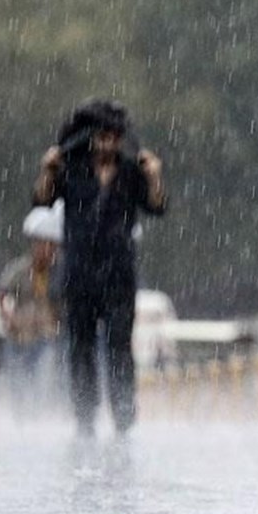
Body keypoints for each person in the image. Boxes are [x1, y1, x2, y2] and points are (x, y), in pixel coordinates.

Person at [33, 98, 166, 438]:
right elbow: (41, 200)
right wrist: (48, 170)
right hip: (79, 272)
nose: (108, 143)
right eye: (102, 136)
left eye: (114, 136)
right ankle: (84, 416)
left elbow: (157, 206)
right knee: (80, 347)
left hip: (119, 273)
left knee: (120, 344)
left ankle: (123, 415)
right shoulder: (70, 169)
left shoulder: (132, 172)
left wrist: (154, 177)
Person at [0, 230, 63, 420]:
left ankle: (38, 418)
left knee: (43, 381)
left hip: (45, 334)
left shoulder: (58, 272)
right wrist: (6, 315)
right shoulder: (20, 269)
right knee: (17, 383)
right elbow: (2, 290)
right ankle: (21, 419)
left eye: (50, 247)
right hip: (19, 334)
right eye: (41, 246)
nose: (45, 251)